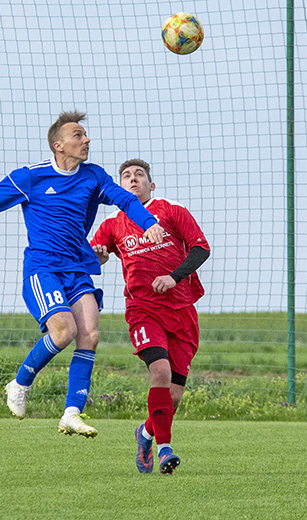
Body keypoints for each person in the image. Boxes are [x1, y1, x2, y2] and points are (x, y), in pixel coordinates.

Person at [0, 112, 164, 438]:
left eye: (86, 135)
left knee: (90, 335)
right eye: (78, 135)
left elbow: (125, 199)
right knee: (64, 331)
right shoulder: (29, 178)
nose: (86, 140)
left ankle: (72, 412)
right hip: (43, 270)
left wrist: (148, 222)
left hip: (78, 268)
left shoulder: (94, 176)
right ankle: (20, 383)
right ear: (59, 145)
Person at [90, 159, 210, 474]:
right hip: (142, 310)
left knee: (174, 396)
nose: (133, 180)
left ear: (151, 185)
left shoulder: (172, 212)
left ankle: (144, 432)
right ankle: (164, 450)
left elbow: (201, 249)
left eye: (139, 175)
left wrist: (173, 276)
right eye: (126, 177)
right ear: (119, 187)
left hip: (182, 311)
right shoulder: (113, 224)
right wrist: (98, 258)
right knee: (160, 372)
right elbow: (92, 259)